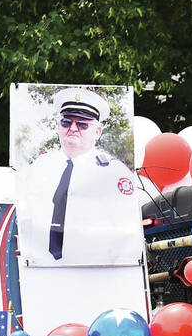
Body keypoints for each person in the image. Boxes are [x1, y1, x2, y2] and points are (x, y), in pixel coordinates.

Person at [15, 88, 141, 266]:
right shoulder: (39, 167)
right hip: (41, 269)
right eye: (66, 122)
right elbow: (24, 217)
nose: (73, 129)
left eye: (82, 124)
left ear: (97, 132)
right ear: (58, 127)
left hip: (93, 272)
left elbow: (127, 233)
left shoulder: (114, 173)